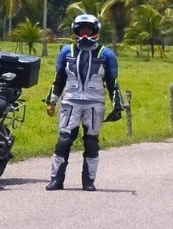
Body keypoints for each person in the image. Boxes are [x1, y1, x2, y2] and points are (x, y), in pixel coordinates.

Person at [45, 13, 122, 191]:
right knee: (64, 140)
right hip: (71, 101)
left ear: (95, 31)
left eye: (88, 29)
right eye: (82, 30)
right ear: (76, 31)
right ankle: (57, 179)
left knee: (91, 142)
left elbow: (113, 82)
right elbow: (59, 78)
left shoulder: (106, 54)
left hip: (94, 104)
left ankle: (88, 181)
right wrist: (52, 100)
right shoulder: (66, 51)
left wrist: (117, 105)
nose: (85, 33)